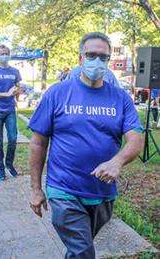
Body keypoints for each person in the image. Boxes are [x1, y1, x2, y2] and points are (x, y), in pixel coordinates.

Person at [28, 32, 143, 258]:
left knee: (79, 248)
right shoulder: (57, 93)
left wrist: (117, 161)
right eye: (91, 55)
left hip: (102, 192)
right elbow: (38, 143)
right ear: (80, 58)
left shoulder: (120, 98)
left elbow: (136, 138)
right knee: (83, 252)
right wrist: (36, 189)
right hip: (64, 189)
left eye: (103, 57)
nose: (97, 61)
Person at [0, 44, 21, 180]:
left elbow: (18, 88)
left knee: (13, 138)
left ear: (9, 55)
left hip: (10, 111)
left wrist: (17, 94)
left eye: (6, 53)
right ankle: (1, 169)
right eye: (2, 54)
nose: (4, 56)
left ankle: (9, 164)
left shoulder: (15, 71)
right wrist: (6, 94)